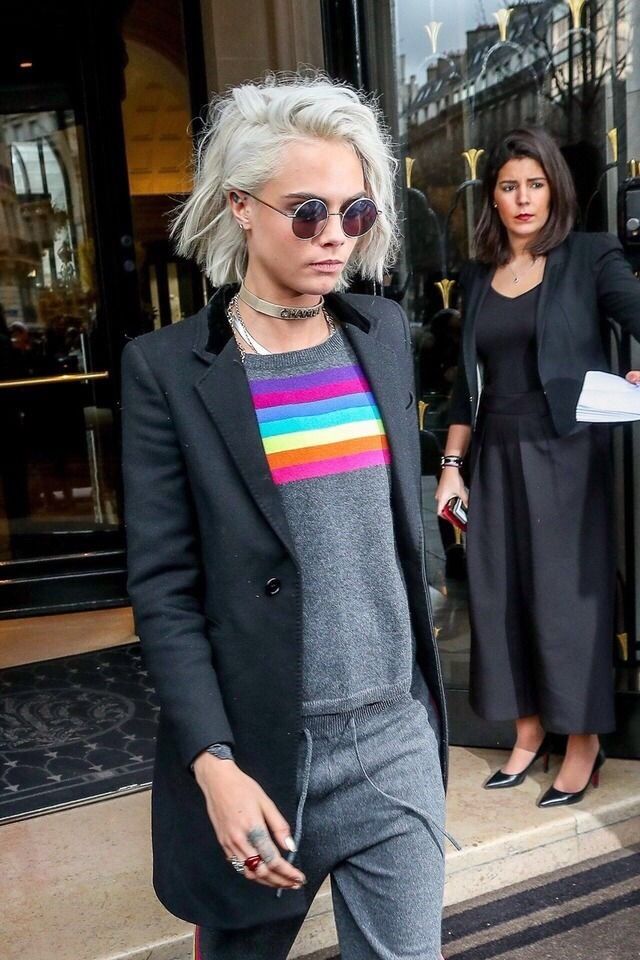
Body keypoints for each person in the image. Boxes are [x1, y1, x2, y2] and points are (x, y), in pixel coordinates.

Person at [122, 74, 453, 960]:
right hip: (263, 758)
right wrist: (214, 767)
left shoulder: (379, 333)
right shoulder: (168, 371)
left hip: (393, 738)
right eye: (308, 212)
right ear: (240, 206)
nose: (336, 237)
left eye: (356, 213)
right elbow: (164, 588)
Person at [435, 127, 640, 808]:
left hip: (567, 452)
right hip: (495, 451)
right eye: (508, 186)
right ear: (491, 196)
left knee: (565, 601)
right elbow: (468, 383)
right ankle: (527, 731)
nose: (522, 199)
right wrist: (452, 464)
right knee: (499, 594)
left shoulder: (589, 256)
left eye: (535, 184)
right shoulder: (476, 274)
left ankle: (582, 740)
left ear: (555, 189)